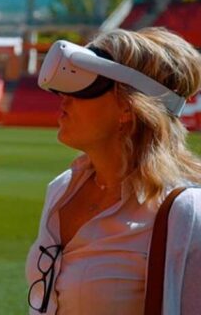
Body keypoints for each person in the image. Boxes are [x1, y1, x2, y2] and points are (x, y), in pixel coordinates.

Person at [26, 27, 201, 314]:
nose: (64, 99)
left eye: (84, 86)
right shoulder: (61, 189)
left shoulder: (184, 213)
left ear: (128, 108)